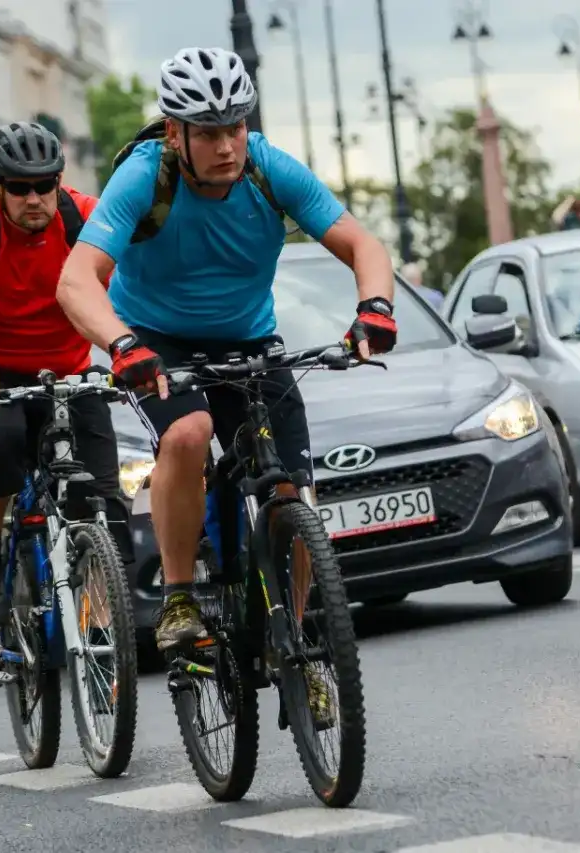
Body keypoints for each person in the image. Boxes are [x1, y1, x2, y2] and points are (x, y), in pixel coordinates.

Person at [56, 47, 397, 716]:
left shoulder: (269, 169)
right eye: (208, 132)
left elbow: (363, 244)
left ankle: (295, 640)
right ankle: (180, 599)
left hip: (249, 339)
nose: (226, 145)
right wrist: (122, 345)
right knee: (189, 430)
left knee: (291, 492)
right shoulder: (143, 178)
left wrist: (375, 308)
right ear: (174, 132)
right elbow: (76, 279)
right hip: (157, 340)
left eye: (235, 126)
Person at [0, 121, 131, 626]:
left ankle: (106, 630)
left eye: (45, 185)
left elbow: (131, 288)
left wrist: (132, 349)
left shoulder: (84, 217)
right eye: (19, 187)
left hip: (68, 370)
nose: (34, 198)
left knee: (106, 498)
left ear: (60, 182)